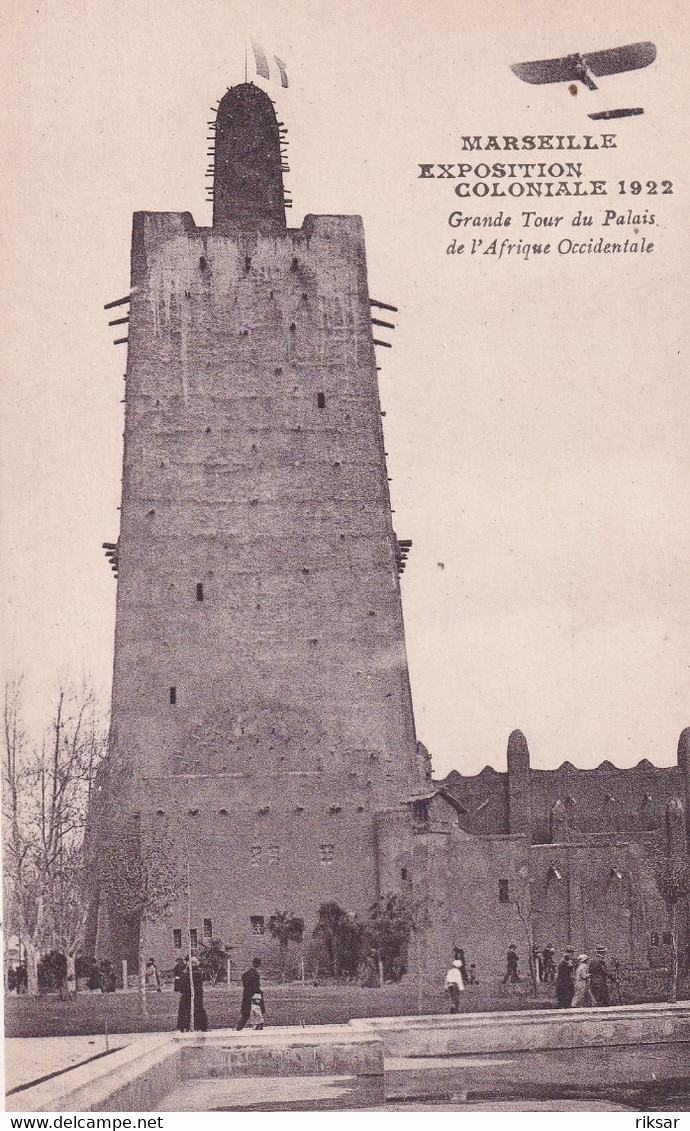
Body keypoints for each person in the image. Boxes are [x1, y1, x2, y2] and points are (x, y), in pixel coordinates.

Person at [177, 957, 208, 1032]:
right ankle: (186, 1026)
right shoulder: (188, 973)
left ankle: (189, 1026)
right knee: (188, 1009)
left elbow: (184, 985)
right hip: (190, 994)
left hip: (193, 994)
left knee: (192, 1009)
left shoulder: (196, 973)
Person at [236, 957, 262, 1030]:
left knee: (246, 1012)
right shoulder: (256, 974)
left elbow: (244, 983)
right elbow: (256, 986)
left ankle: (239, 1026)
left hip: (246, 994)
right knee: (257, 1010)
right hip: (254, 994)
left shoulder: (246, 974)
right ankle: (258, 1025)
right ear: (259, 964)